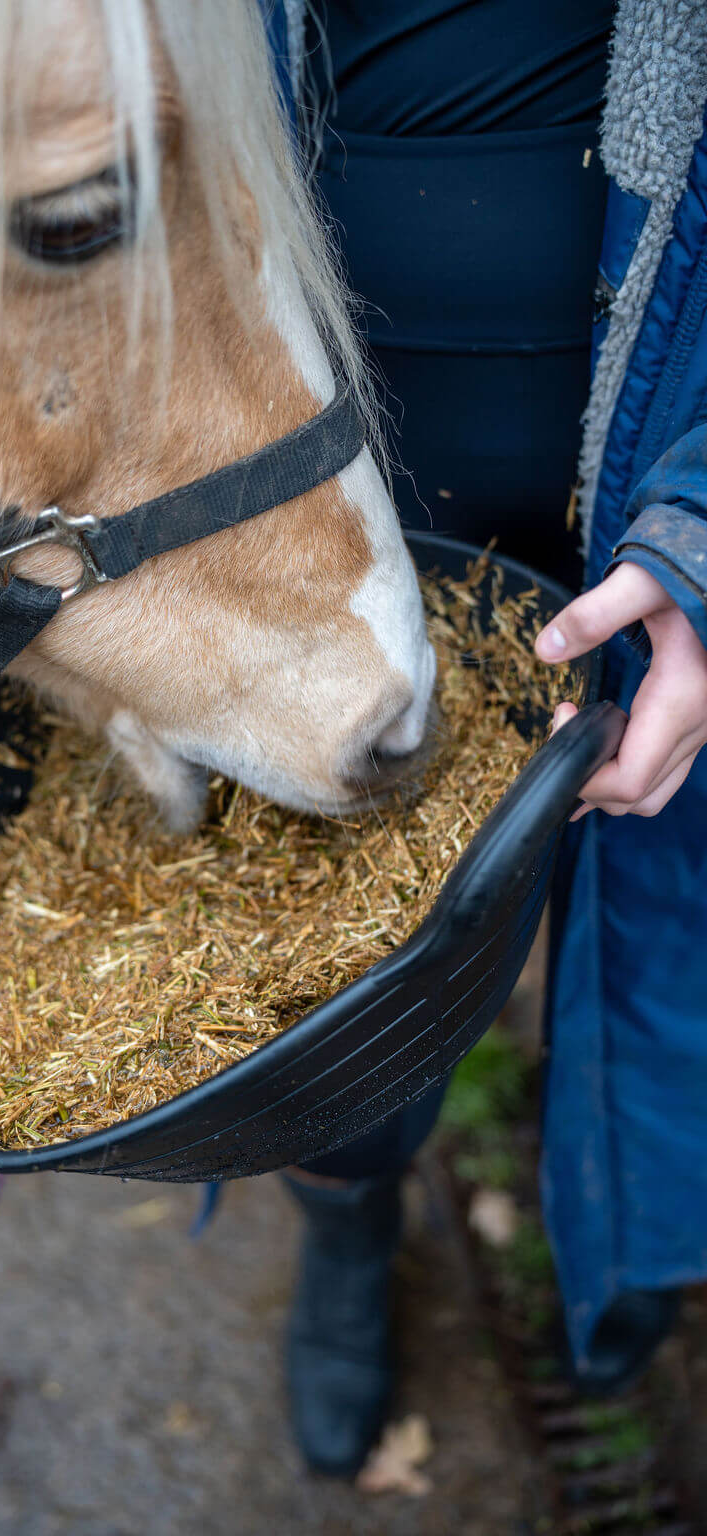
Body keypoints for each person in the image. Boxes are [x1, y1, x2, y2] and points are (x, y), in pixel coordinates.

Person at [264, 0, 707, 1477]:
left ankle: (622, 1221)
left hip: (652, 519)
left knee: (662, 932)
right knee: (331, 963)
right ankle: (349, 1218)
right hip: (307, 534)